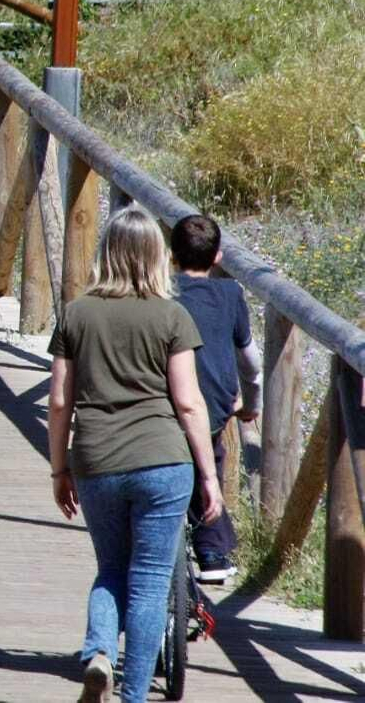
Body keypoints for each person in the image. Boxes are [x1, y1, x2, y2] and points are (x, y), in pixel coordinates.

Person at [48, 207, 224, 703]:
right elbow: (188, 402)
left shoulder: (76, 313)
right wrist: (209, 478)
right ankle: (134, 695)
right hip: (163, 463)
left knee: (111, 570)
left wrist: (59, 467)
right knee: (148, 583)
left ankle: (100, 651)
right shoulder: (172, 315)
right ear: (156, 257)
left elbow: (60, 399)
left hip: (97, 459)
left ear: (106, 252)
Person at [170, 213, 261, 584]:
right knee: (210, 463)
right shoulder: (230, 294)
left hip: (168, 398)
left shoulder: (165, 293)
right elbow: (251, 362)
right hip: (215, 401)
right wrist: (252, 402)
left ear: (172, 257)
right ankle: (211, 552)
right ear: (218, 256)